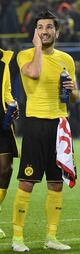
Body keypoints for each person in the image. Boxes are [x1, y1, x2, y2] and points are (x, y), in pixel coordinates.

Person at [12, 10, 79, 252]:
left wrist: (72, 90)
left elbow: (75, 95)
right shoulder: (25, 55)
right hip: (35, 124)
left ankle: (52, 237)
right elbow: (34, 73)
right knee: (27, 181)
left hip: (60, 125)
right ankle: (17, 238)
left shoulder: (67, 59)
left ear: (57, 31)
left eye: (49, 27)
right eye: (40, 27)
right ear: (35, 32)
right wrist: (37, 47)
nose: (45, 31)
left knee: (56, 183)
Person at [0, 48, 19, 239]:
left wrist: (12, 103)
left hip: (1, 122)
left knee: (6, 170)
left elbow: (6, 90)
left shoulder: (4, 58)